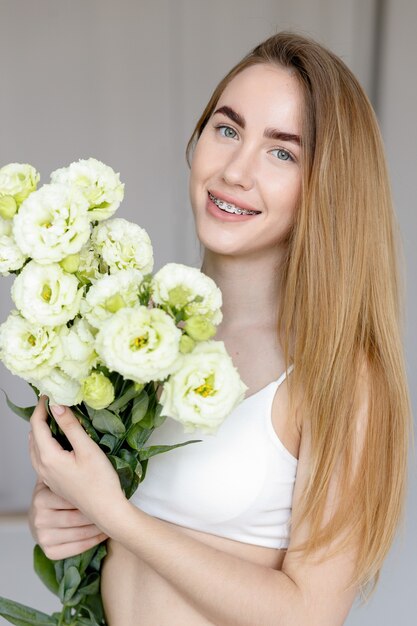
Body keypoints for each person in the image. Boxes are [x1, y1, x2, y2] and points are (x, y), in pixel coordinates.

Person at [28, 31, 411, 625]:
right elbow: (110, 519)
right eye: (227, 129)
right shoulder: (136, 332)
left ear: (326, 188)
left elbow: (309, 614)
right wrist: (67, 517)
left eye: (282, 152)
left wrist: (117, 516)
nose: (235, 170)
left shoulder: (337, 373)